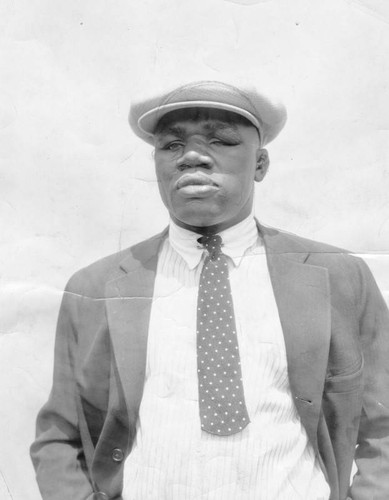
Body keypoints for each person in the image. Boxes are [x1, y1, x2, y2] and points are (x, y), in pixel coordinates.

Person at [30, 80, 389, 500]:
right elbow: (59, 434)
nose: (193, 157)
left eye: (221, 140)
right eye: (172, 146)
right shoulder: (97, 288)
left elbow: (382, 424)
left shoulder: (338, 277)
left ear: (260, 164)